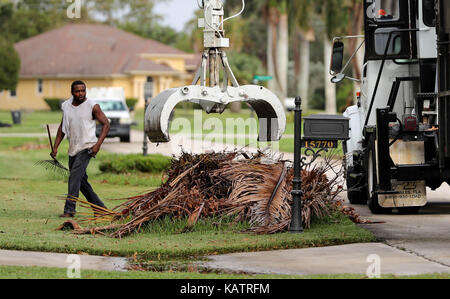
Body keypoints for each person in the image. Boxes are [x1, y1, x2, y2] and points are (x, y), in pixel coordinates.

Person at [51, 80, 110, 217]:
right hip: (73, 148)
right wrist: (55, 147)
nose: (80, 93)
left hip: (87, 147)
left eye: (83, 90)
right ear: (72, 92)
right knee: (81, 182)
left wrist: (97, 145)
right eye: (77, 91)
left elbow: (106, 124)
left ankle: (69, 210)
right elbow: (62, 128)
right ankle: (100, 209)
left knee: (74, 177)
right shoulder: (66, 106)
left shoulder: (92, 106)